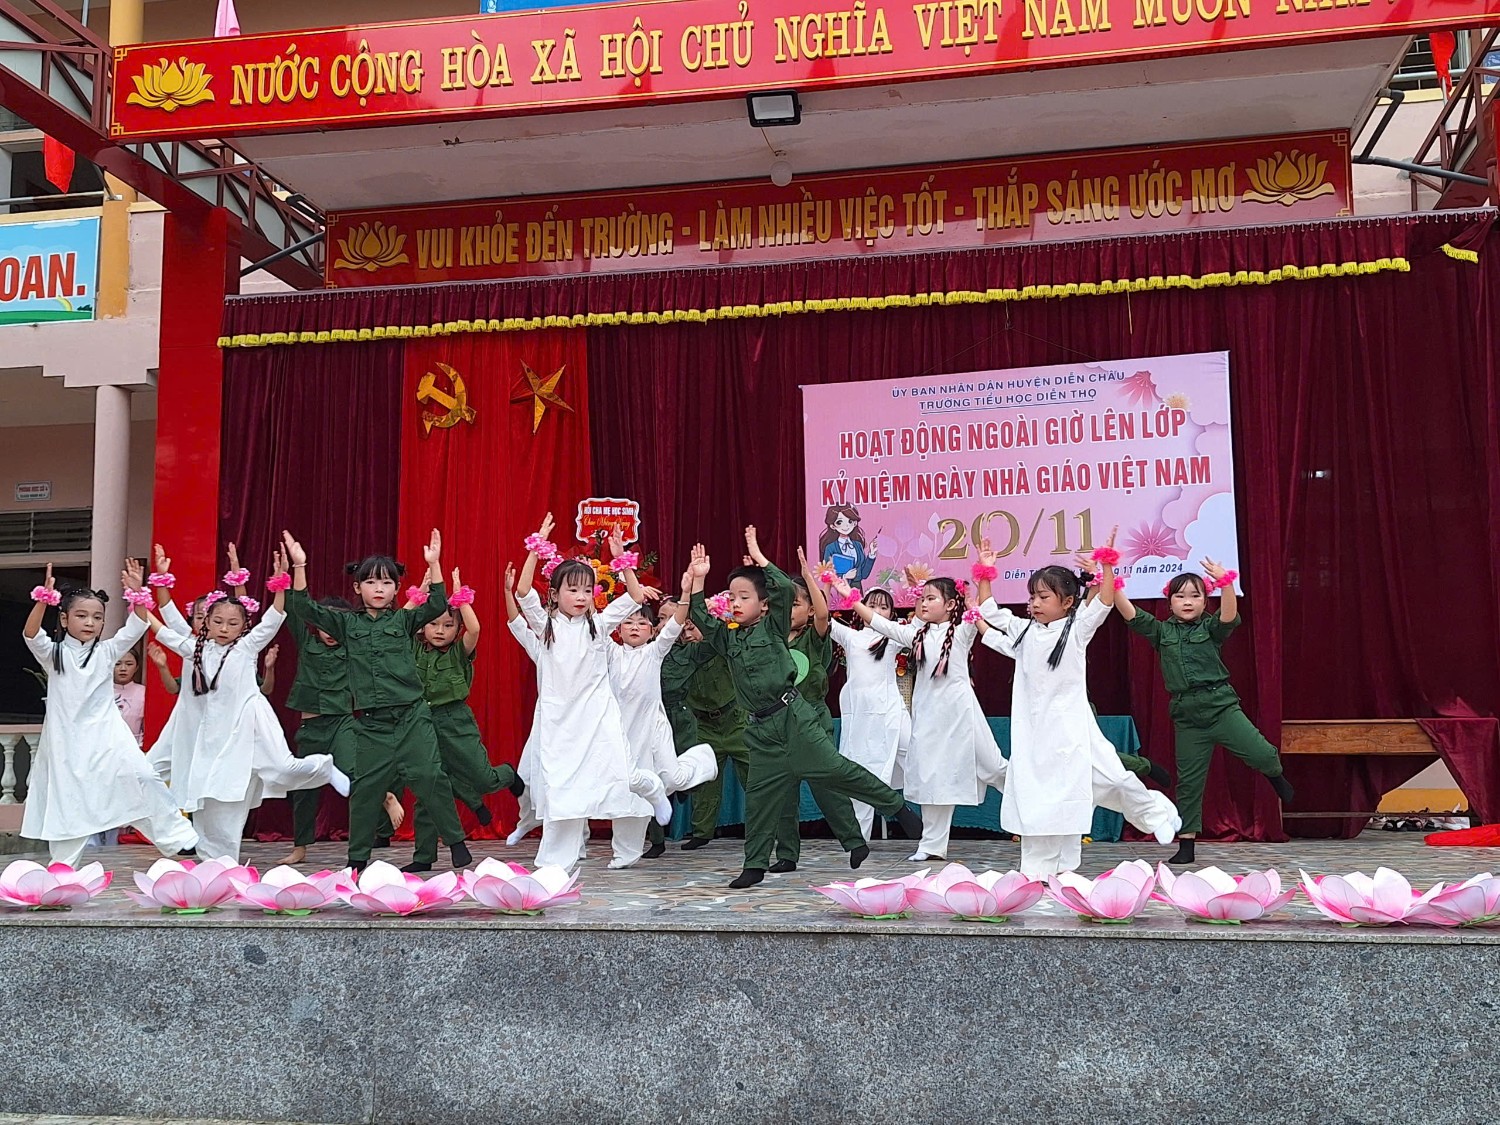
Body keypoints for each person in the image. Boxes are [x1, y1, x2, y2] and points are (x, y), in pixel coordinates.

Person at [688, 527, 922, 889]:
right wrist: (698, 580)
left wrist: (761, 559)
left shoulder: (773, 628)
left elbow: (784, 589)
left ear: (764, 605)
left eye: (744, 597)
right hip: (760, 731)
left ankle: (896, 807)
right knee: (760, 800)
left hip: (794, 719)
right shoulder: (728, 637)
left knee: (836, 772)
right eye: (732, 597)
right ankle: (754, 865)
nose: (735, 603)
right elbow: (701, 617)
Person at [974, 538, 1181, 879]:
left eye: (1043, 597)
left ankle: (1156, 813)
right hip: (1035, 734)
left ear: (1067, 601)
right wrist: (985, 571)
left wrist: (1107, 564)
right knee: (1040, 799)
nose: (1035, 603)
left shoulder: (1077, 630)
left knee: (1114, 779)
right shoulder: (1024, 632)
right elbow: (988, 610)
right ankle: (1040, 870)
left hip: (1073, 729)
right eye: (1032, 597)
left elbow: (1104, 601)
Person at [281, 528, 473, 874]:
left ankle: (456, 843)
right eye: (371, 582)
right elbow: (302, 607)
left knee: (429, 776)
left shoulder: (403, 620)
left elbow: (434, 604)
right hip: (372, 723)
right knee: (366, 789)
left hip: (412, 716)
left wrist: (434, 564)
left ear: (397, 589)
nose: (379, 589)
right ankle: (357, 859)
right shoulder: (345, 624)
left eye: (386, 583)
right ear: (358, 588)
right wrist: (299, 565)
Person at [150, 549, 349, 863]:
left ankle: (323, 767)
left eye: (232, 623)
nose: (224, 628)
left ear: (243, 626)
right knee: (214, 796)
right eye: (217, 621)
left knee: (282, 769)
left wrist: (281, 582)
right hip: (213, 733)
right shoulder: (194, 648)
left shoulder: (247, 646)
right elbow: (163, 626)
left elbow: (274, 617)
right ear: (205, 622)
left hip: (252, 723)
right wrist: (144, 597)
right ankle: (216, 862)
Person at [507, 518, 673, 871]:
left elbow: (634, 597)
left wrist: (622, 558)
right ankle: (554, 866)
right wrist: (537, 547)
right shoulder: (547, 627)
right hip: (559, 722)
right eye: (573, 590)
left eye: (587, 590)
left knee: (622, 774)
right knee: (561, 794)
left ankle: (653, 790)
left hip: (597, 715)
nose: (581, 597)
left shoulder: (598, 625)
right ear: (555, 594)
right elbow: (522, 593)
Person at [20, 562, 199, 867]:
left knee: (143, 776)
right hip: (67, 742)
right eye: (81, 615)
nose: (90, 622)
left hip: (108, 736)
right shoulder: (55, 654)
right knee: (70, 802)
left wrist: (137, 593)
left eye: (97, 617)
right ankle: (62, 871)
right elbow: (31, 634)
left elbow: (137, 625)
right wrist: (42, 601)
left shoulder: (107, 652)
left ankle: (177, 838)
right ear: (64, 619)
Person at [1118, 561, 1294, 865]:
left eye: (1195, 596)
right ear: (1170, 601)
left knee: (1262, 754)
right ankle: (1186, 844)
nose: (1187, 602)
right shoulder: (1161, 631)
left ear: (1204, 601)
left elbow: (1229, 616)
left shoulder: (1210, 628)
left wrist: (1226, 583)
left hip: (1221, 707)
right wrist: (1112, 584)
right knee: (1189, 783)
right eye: (1180, 596)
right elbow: (1132, 614)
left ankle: (1275, 775)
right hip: (1187, 715)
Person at [835, 575, 1006, 862]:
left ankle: (1034, 811)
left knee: (993, 767)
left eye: (931, 598)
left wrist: (983, 579)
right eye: (922, 598)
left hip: (963, 717)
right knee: (933, 779)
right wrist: (850, 598)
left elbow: (983, 612)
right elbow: (880, 624)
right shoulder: (915, 635)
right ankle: (932, 845)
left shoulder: (962, 630)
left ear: (950, 605)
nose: (923, 603)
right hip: (929, 719)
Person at [406, 565, 526, 873]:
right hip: (420, 721)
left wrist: (460, 598)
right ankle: (423, 855)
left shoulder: (459, 651)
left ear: (456, 629)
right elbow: (400, 625)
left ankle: (507, 774)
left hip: (455, 720)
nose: (440, 630)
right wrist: (420, 596)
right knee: (428, 788)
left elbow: (475, 629)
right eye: (433, 624)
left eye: (448, 625)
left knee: (483, 778)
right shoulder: (413, 648)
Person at [278, 594, 407, 866]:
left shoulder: (354, 648)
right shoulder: (307, 641)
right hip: (310, 728)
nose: (330, 632)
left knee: (354, 771)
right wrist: (285, 582)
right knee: (304, 789)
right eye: (324, 625)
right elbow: (293, 607)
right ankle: (300, 848)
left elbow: (385, 631)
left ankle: (385, 796)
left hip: (342, 722)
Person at [608, 575, 719, 859]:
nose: (635, 627)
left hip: (657, 725)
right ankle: (629, 850)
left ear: (651, 631)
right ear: (618, 628)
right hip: (623, 728)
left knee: (671, 777)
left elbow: (676, 626)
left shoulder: (655, 652)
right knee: (628, 787)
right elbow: (597, 627)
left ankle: (703, 761)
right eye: (628, 622)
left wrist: (686, 593)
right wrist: (630, 584)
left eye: (642, 623)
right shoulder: (610, 652)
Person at [770, 554, 870, 873]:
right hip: (779, 725)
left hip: (812, 719)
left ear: (810, 609)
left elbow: (824, 614)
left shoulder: (814, 637)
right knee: (783, 793)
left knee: (826, 785)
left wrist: (808, 577)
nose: (788, 611)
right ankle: (787, 854)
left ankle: (854, 841)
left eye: (795, 604)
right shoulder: (770, 640)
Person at [658, 599, 751, 852]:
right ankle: (702, 832)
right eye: (684, 629)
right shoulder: (674, 655)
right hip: (702, 723)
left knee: (752, 775)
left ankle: (764, 829)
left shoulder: (720, 643)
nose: (688, 634)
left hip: (734, 719)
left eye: (693, 627)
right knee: (704, 780)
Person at [828, 588, 910, 842]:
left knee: (918, 759)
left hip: (891, 712)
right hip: (860, 716)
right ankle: (859, 841)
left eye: (884, 607)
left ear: (891, 614)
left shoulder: (894, 638)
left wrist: (918, 593)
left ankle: (932, 832)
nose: (876, 611)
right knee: (860, 771)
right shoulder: (851, 637)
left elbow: (919, 627)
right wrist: (827, 587)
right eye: (871, 605)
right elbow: (822, 618)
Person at [113, 646, 146, 747]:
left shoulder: (144, 693)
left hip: (135, 746)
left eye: (129, 664)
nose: (123, 669)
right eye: (117, 664)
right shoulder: (101, 693)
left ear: (136, 667)